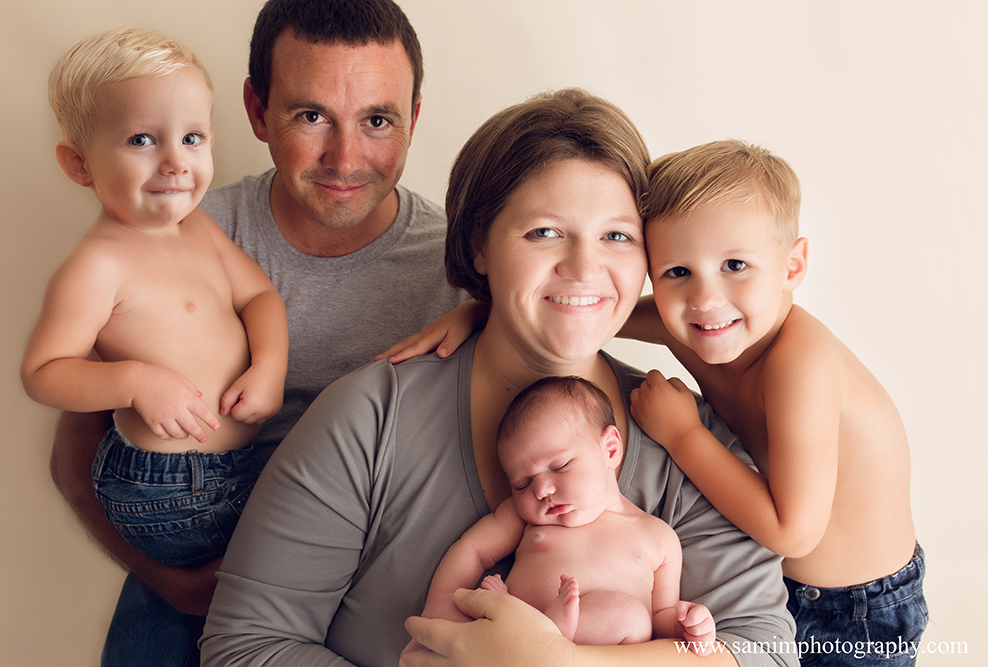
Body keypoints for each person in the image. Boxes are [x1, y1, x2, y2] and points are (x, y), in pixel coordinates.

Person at [201, 88, 796, 667]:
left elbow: (765, 652)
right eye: (543, 232)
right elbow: (245, 647)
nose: (584, 268)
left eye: (617, 236)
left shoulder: (683, 438)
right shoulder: (369, 418)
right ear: (478, 247)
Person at [46, 2, 466, 665]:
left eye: (378, 120)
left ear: (414, 117)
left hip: (369, 603)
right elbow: (76, 457)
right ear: (256, 110)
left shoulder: (464, 268)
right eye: (311, 116)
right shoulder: (172, 233)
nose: (344, 157)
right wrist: (172, 583)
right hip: (192, 575)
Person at [623, 139, 926, 666]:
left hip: (855, 611)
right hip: (775, 591)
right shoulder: (698, 323)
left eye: (735, 264)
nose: (705, 298)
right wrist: (481, 314)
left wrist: (682, 434)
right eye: (676, 272)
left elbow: (795, 531)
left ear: (792, 266)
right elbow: (589, 314)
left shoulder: (799, 363)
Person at [22, 26, 288, 569]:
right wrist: (136, 380)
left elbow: (259, 295)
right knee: (300, 564)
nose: (174, 162)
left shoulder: (199, 229)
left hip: (234, 465)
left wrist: (270, 366)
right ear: (80, 165)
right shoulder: (98, 264)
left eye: (190, 138)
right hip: (166, 487)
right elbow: (44, 372)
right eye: (142, 140)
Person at [404, 375, 715, 655]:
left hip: (604, 658)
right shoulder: (525, 517)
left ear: (609, 449)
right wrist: (442, 601)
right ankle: (548, 633)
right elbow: (473, 549)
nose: (540, 490)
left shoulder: (658, 537)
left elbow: (661, 618)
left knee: (632, 618)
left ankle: (554, 638)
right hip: (509, 648)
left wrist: (688, 627)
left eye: (559, 466)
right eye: (521, 484)